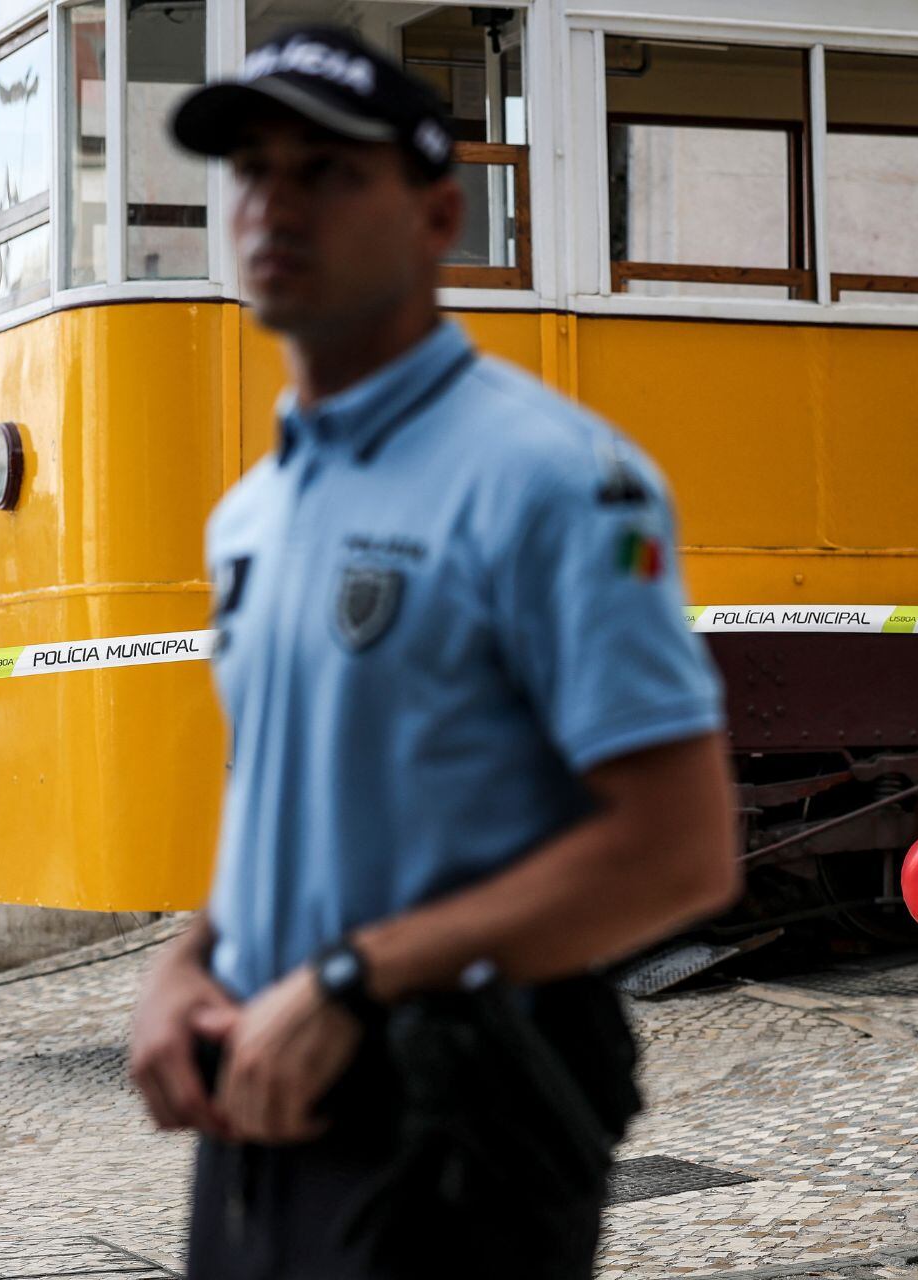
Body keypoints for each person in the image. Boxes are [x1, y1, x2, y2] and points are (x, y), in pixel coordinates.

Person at [125, 24, 740, 1279]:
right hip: (262, 1097)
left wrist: (356, 978)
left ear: (436, 214)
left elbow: (676, 850)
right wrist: (189, 956)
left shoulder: (554, 479)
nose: (273, 203)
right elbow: (296, 800)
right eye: (250, 169)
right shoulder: (253, 510)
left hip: (458, 1120)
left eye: (328, 170)